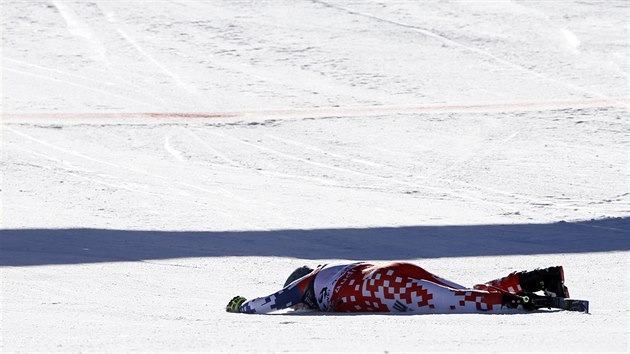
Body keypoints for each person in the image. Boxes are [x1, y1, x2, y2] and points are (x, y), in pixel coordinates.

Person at [225, 261, 570, 314]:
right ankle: (539, 278)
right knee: (466, 291)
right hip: (390, 269)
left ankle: (525, 301)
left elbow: (276, 300)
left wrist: (242, 306)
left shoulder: (311, 281)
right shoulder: (332, 268)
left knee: (458, 302)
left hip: (379, 286)